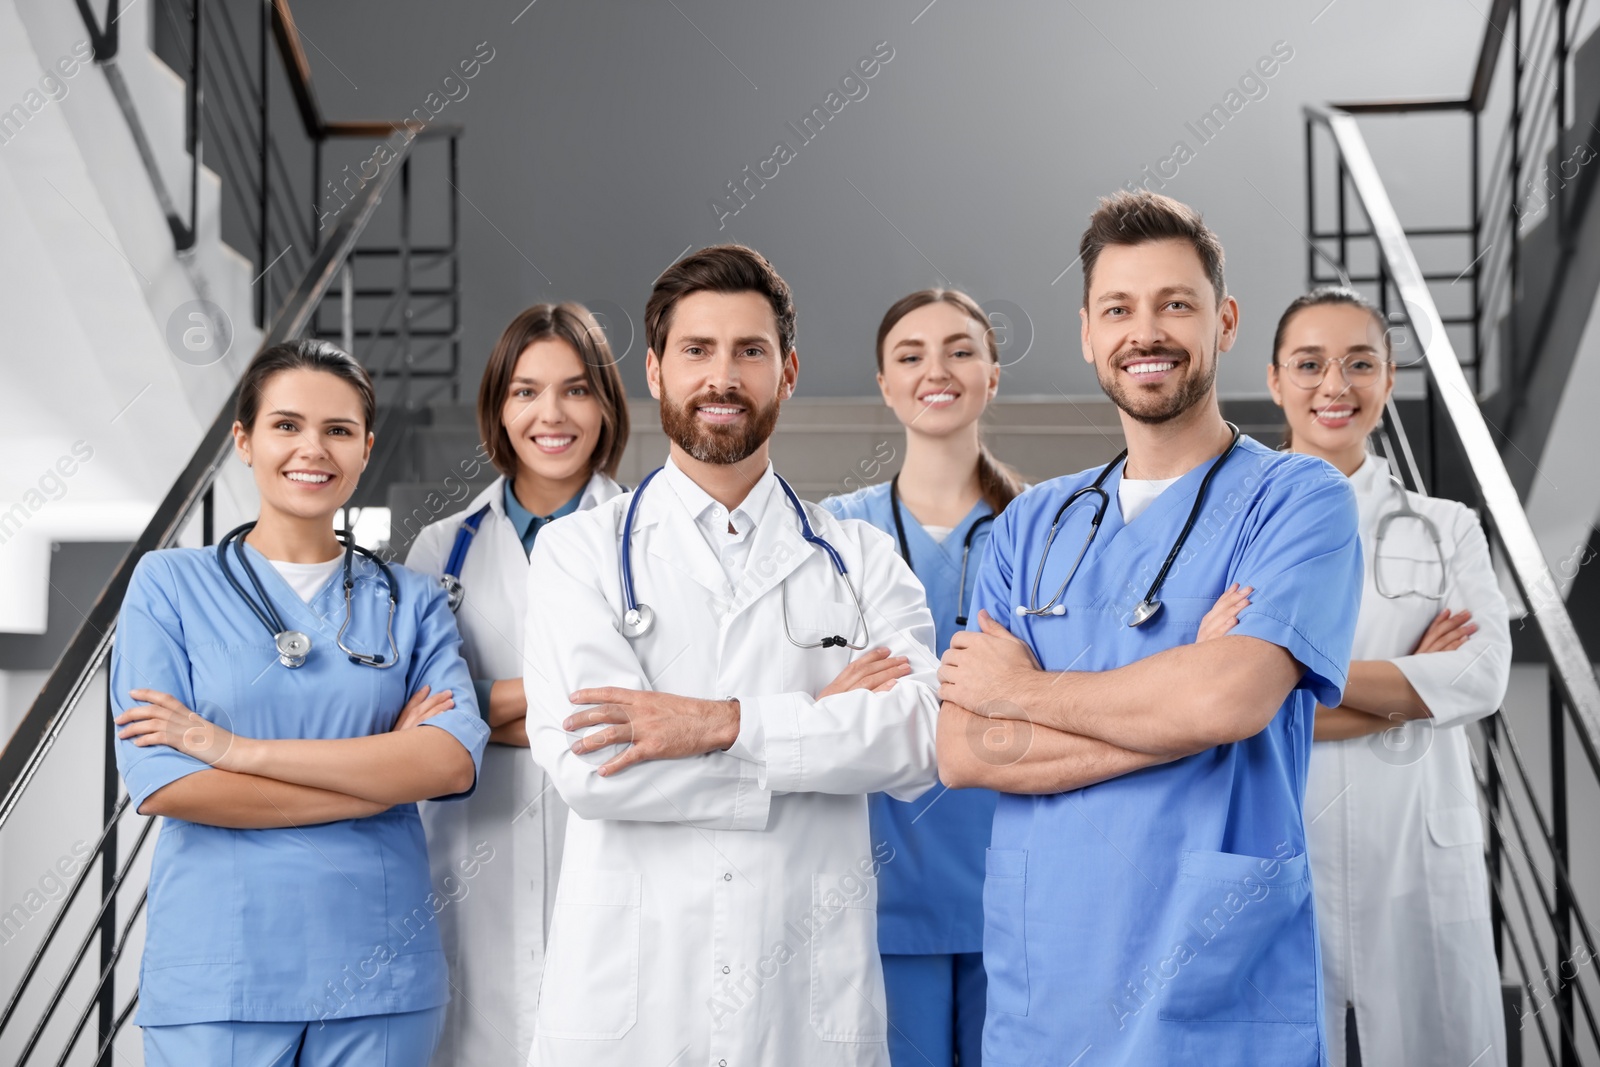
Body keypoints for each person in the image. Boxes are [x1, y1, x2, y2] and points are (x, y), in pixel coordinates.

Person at [934, 191, 1363, 1065]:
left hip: (1215, 974)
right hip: (1047, 977)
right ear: (1088, 332)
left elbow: (1229, 698)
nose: (1147, 331)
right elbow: (967, 749)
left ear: (1224, 320)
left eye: (1176, 303)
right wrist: (1179, 702)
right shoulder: (1030, 523)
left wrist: (1023, 692)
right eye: (1118, 308)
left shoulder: (1299, 499)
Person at [521, 244, 942, 1067]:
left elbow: (919, 737)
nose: (723, 376)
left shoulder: (861, 559)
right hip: (631, 1007)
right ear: (654, 370)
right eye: (696, 350)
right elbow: (592, 765)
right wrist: (820, 727)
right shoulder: (579, 552)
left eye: (750, 351)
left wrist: (715, 723)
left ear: (787, 372)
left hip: (802, 1002)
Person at [110, 340, 490, 1066]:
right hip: (221, 974)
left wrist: (236, 751)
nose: (311, 448)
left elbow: (444, 762)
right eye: (286, 425)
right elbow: (168, 782)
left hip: (379, 972)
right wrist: (378, 778)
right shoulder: (167, 586)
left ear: (366, 448)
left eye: (339, 430)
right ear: (244, 440)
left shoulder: (410, 600)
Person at [1265, 287, 1510, 1067]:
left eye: (1359, 363)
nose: (1334, 385)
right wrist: (1408, 694)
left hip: (1414, 839)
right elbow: (1219, 700)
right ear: (1275, 381)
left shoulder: (1445, 526)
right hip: (1282, 831)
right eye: (1309, 364)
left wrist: (1298, 686)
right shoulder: (1234, 531)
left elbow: (1479, 676)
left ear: (1389, 377)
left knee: (1436, 1045)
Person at [406, 303, 630, 1066]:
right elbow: (416, 721)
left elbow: (659, 703)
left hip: (611, 845)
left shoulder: (651, 538)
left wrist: (481, 706)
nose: (551, 414)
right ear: (499, 409)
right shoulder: (441, 550)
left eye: (575, 389)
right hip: (475, 860)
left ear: (606, 405)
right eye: (526, 391)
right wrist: (576, 696)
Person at [823, 288, 1024, 1067]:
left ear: (993, 375)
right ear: (884, 382)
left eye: (960, 349)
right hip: (879, 884)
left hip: (1010, 879)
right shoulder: (835, 533)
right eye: (911, 355)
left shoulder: (1049, 525)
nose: (935, 370)